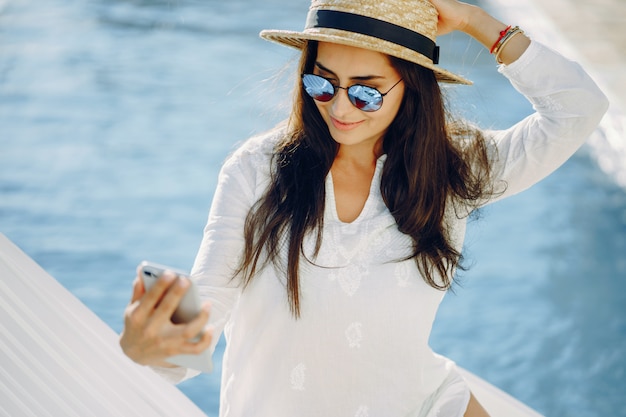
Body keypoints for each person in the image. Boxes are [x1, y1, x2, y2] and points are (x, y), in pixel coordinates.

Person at [119, 0, 608, 415]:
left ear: (411, 87)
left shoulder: (453, 172)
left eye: (366, 91)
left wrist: (475, 22)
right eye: (322, 83)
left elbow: (578, 107)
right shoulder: (255, 171)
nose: (340, 108)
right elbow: (206, 310)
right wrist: (154, 347)